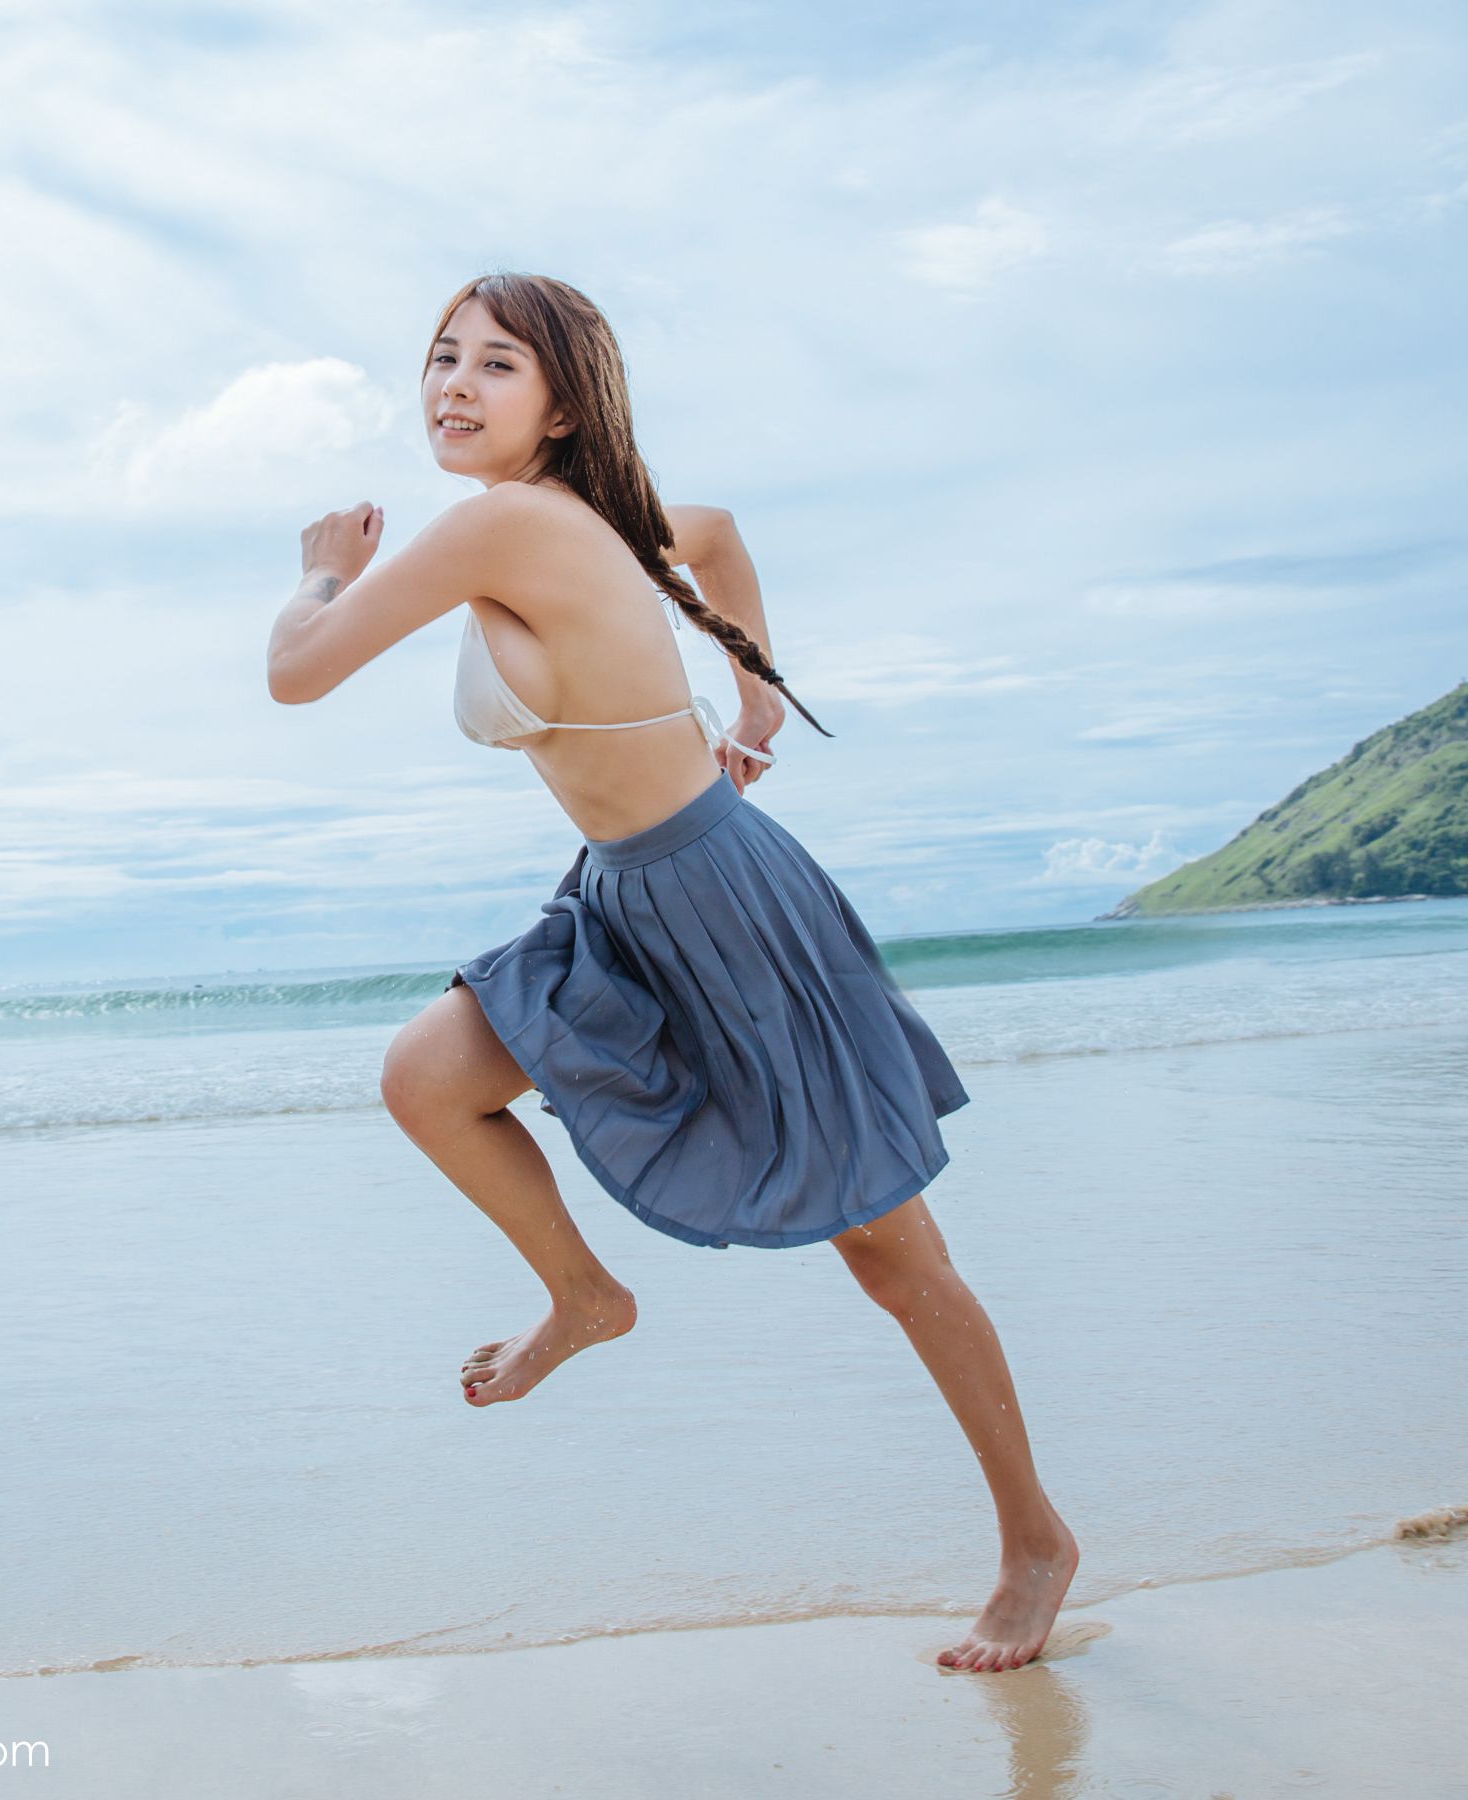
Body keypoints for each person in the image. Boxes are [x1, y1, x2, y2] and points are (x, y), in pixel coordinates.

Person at [264, 272, 1077, 1673]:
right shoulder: (588, 525)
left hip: (727, 901)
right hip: (625, 900)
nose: (452, 385)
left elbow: (298, 671)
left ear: (563, 402)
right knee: (426, 1078)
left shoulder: (507, 522)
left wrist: (320, 568)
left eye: (495, 366)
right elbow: (715, 536)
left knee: (889, 1252)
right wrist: (754, 693)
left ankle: (1036, 1542)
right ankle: (586, 1299)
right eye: (441, 357)